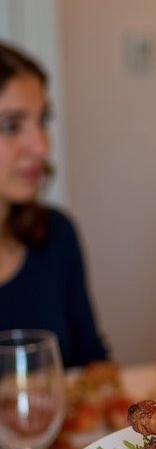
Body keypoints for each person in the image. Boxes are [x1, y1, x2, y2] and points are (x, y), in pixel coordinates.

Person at [0, 41, 109, 369]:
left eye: (43, 120)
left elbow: (92, 361)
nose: (41, 146)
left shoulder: (56, 235)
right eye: (11, 126)